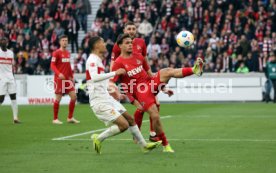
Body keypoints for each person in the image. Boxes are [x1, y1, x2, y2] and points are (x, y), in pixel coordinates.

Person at [112, 34, 204, 153]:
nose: (130, 44)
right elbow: (121, 84)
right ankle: (165, 144)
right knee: (155, 115)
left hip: (150, 83)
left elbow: (149, 74)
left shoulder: (138, 56)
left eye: (131, 42)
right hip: (140, 91)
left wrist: (162, 87)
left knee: (167, 71)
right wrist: (133, 101)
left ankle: (194, 70)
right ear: (120, 46)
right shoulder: (118, 63)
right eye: (127, 43)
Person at [86, 36, 161, 154]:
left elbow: (98, 80)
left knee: (131, 119)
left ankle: (144, 146)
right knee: (124, 125)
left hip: (107, 98)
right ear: (96, 46)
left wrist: (114, 90)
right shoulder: (92, 60)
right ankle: (99, 138)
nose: (105, 44)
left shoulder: (98, 60)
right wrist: (115, 72)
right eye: (102, 42)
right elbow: (94, 77)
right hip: (99, 101)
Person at [110, 21, 173, 142]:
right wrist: (113, 79)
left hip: (144, 78)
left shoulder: (141, 42)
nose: (131, 31)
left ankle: (152, 133)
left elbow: (144, 60)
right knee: (142, 108)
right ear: (124, 30)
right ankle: (138, 134)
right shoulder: (119, 45)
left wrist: (150, 75)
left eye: (133, 28)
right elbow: (114, 63)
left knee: (155, 104)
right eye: (129, 29)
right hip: (131, 82)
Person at [50, 35, 79, 124]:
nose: (65, 42)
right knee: (58, 98)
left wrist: (72, 77)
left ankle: (70, 118)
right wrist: (59, 74)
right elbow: (52, 65)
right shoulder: (56, 53)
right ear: (60, 42)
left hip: (68, 79)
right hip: (59, 79)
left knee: (74, 97)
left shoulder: (68, 53)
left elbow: (68, 67)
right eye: (63, 40)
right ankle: (55, 119)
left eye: (66, 40)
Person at [0, 37, 20, 124]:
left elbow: (12, 66)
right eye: (2, 42)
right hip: (1, 78)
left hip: (10, 77)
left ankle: (15, 118)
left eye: (5, 42)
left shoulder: (11, 53)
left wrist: (13, 76)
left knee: (13, 96)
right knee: (1, 98)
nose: (4, 43)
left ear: (7, 43)